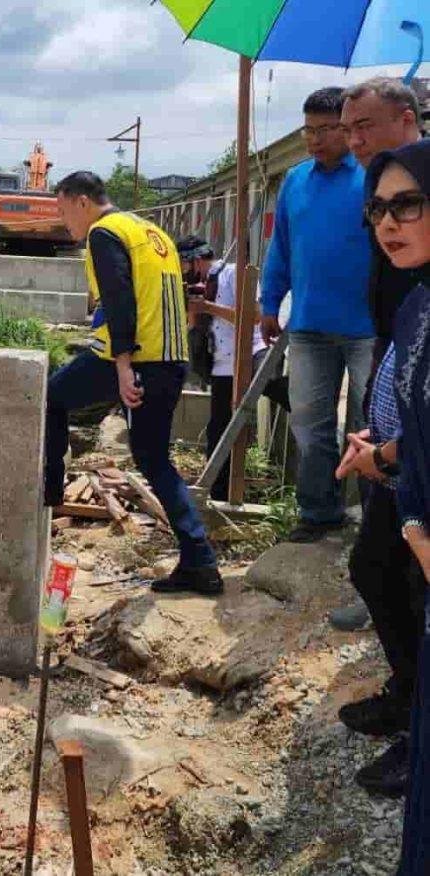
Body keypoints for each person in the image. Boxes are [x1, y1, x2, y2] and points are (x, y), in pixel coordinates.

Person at [45, 172, 222, 596]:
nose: (62, 220)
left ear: (82, 202)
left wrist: (124, 366)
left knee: (49, 398)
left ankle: (48, 494)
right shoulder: (147, 228)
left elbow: (119, 299)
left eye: (63, 209)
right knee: (154, 458)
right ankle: (199, 559)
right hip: (169, 358)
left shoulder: (103, 233)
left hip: (133, 359)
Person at [326, 81, 423, 636]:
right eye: (347, 128)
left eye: (363, 125)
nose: (352, 138)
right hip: (390, 346)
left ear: (405, 119)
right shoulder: (379, 180)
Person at [358, 139, 430, 875]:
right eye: (377, 208)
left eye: (408, 203)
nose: (388, 221)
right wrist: (380, 445)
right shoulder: (415, 302)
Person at [260, 87, 375, 543]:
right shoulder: (295, 180)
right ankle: (318, 512)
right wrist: (271, 303)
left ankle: (373, 521)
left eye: (325, 130)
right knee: (309, 424)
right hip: (308, 324)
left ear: (346, 129)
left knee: (369, 428)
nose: (314, 140)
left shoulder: (372, 176)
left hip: (369, 327)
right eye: (308, 130)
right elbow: (281, 248)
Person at [177, 235, 290, 502]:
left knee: (270, 384)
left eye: (183, 264)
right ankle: (217, 492)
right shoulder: (197, 286)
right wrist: (193, 310)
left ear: (196, 259)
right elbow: (197, 330)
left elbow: (253, 317)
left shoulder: (232, 274)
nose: (184, 272)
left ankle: (305, 407)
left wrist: (207, 306)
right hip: (222, 364)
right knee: (219, 428)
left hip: (253, 350)